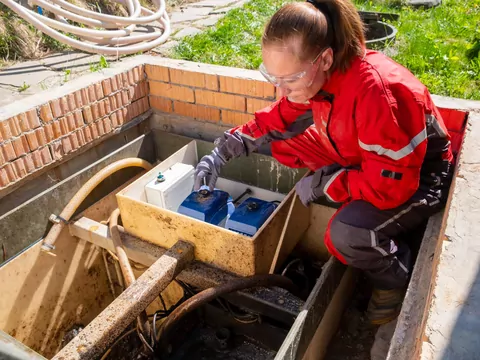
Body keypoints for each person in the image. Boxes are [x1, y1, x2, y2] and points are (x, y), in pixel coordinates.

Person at [193, 0, 453, 325]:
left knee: (344, 234)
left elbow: (391, 187)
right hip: (370, 159)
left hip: (417, 180)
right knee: (283, 140)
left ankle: (396, 277)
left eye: (290, 79)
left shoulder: (375, 93)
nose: (281, 89)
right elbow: (275, 122)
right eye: (273, 77)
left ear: (325, 58)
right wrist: (221, 152)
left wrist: (326, 184)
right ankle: (347, 189)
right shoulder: (321, 77)